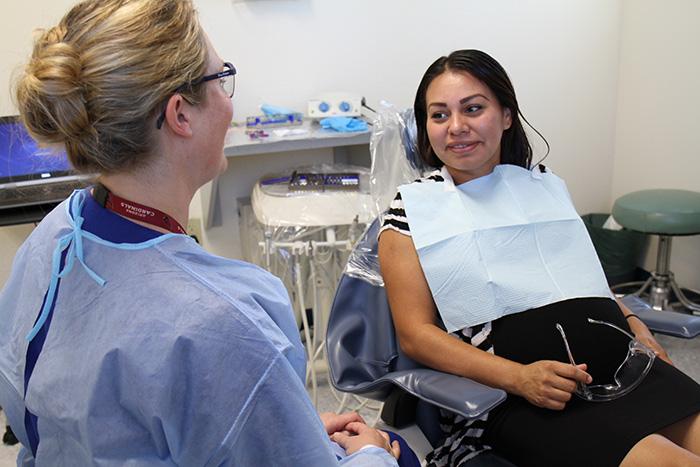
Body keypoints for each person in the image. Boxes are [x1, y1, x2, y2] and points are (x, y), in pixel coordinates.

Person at [0, 0, 420, 465]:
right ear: (180, 114)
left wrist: (280, 423)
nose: (228, 98)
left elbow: (50, 418)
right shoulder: (224, 326)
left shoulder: (55, 234)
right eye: (221, 78)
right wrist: (373, 454)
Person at [378, 49, 700, 467]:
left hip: (627, 367)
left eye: (473, 109)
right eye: (439, 115)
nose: (456, 127)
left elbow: (584, 282)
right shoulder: (410, 213)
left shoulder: (544, 190)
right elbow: (415, 335)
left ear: (506, 115)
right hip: (525, 396)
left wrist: (636, 324)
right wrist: (520, 378)